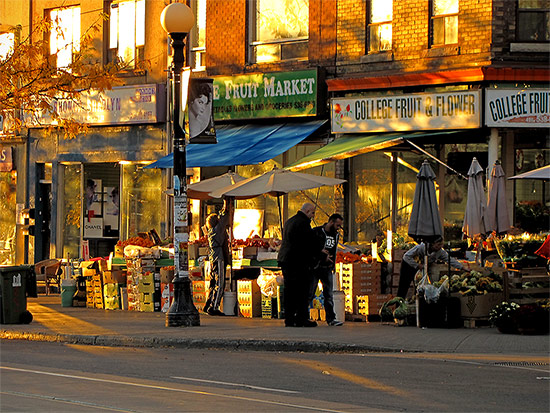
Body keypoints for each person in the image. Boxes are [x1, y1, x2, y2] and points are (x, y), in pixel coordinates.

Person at [277, 202, 319, 327]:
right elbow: (306, 244)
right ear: (307, 212)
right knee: (302, 291)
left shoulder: (290, 221)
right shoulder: (303, 223)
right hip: (298, 262)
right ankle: (301, 318)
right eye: (312, 213)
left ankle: (289, 318)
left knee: (290, 290)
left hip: (286, 260)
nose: (313, 216)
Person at [397, 236, 469, 299]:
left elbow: (450, 260)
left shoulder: (440, 252)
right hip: (408, 265)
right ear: (432, 244)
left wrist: (462, 267)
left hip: (421, 269)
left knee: (419, 288)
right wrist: (417, 265)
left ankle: (417, 305)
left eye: (441, 244)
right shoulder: (421, 247)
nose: (440, 246)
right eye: (438, 245)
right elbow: (406, 256)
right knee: (403, 287)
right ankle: (398, 305)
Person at [310, 213, 344, 326]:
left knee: (328, 294)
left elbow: (334, 250)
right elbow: (311, 247)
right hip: (315, 266)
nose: (338, 228)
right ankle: (303, 316)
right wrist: (320, 254)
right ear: (331, 222)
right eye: (337, 225)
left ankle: (331, 319)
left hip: (327, 268)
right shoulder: (317, 232)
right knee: (310, 292)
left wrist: (332, 264)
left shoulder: (336, 235)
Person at [203, 198, 231, 316]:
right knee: (220, 283)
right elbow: (224, 217)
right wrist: (226, 203)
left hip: (213, 258)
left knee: (213, 282)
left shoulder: (211, 231)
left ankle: (208, 303)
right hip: (219, 258)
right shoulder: (217, 230)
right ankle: (214, 307)